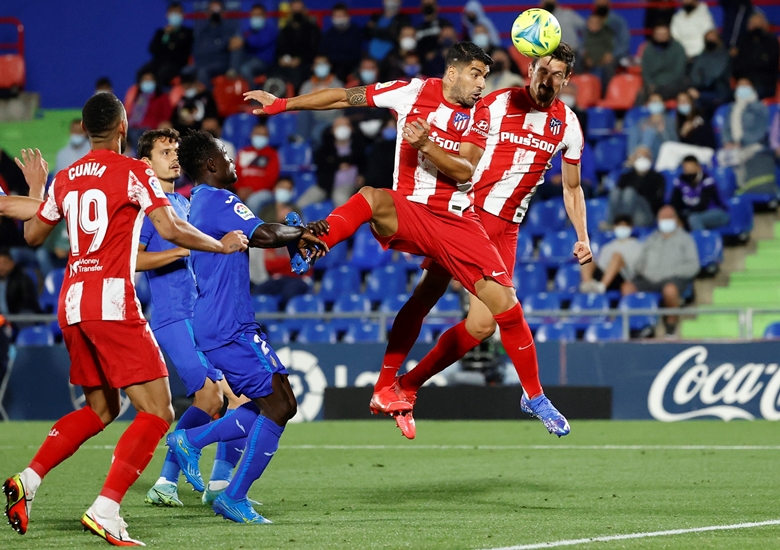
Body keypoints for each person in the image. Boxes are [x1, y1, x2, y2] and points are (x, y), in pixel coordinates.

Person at [245, 42, 590, 439]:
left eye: (557, 74)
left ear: (566, 80)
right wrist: (283, 104)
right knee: (380, 213)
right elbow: (346, 96)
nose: (548, 80)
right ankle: (314, 244)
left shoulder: (557, 122)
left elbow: (568, 186)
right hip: (463, 211)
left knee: (482, 324)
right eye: (542, 70)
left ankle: (403, 387)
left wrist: (582, 236)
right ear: (529, 69)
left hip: (488, 226)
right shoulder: (491, 104)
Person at [3, 92, 248, 545]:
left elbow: (33, 234)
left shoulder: (67, 176)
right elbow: (171, 227)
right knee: (158, 411)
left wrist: (37, 191)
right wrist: (222, 244)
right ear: (122, 128)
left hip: (72, 302)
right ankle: (106, 509)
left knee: (102, 409)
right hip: (112, 301)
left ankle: (29, 480)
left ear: (85, 129)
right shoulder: (136, 172)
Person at [166, 129, 327, 524]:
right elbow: (263, 234)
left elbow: (263, 235)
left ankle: (193, 441)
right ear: (209, 165)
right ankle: (230, 492)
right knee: (282, 403)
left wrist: (292, 236)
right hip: (229, 324)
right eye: (224, 154)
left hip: (223, 320)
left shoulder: (199, 202)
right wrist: (300, 232)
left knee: (271, 403)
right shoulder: (219, 199)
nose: (231, 160)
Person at [133, 128, 247, 508]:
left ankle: (215, 484)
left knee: (242, 395)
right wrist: (182, 252)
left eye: (176, 150)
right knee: (210, 395)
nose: (174, 157)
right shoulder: (148, 207)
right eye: (165, 151)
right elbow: (133, 260)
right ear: (145, 163)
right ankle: (167, 480)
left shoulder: (184, 204)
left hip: (202, 315)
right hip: (173, 315)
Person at [624, 205, 700, 336]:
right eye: (662, 218)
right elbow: (639, 262)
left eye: (669, 217)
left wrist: (673, 272)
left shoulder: (685, 239)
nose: (665, 220)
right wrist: (641, 270)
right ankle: (639, 326)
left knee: (670, 290)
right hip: (649, 278)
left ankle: (670, 328)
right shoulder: (651, 238)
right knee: (627, 288)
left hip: (673, 278)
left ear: (675, 219)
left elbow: (694, 265)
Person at [720, 78, 776, 195]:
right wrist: (727, 142)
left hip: (754, 144)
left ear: (752, 88)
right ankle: (730, 192)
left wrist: (742, 141)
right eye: (740, 85)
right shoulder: (731, 107)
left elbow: (760, 131)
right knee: (721, 158)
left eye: (746, 85)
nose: (743, 88)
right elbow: (726, 128)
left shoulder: (760, 107)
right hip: (734, 146)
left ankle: (745, 189)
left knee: (739, 156)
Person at [580, 215, 643, 294]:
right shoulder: (607, 247)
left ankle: (602, 287)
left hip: (623, 277)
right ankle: (587, 285)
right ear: (614, 227)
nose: (621, 229)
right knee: (587, 258)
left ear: (630, 227)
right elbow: (601, 266)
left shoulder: (638, 246)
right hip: (604, 274)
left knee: (616, 256)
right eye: (619, 226)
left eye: (624, 226)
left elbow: (637, 268)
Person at [607, 146, 666, 227]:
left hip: (644, 211)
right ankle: (611, 222)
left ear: (651, 159)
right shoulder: (626, 176)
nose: (642, 160)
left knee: (629, 192)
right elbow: (618, 196)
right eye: (639, 157)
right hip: (624, 209)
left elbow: (657, 201)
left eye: (645, 157)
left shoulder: (658, 177)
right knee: (615, 192)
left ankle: (624, 223)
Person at [314, 116, 367, 206]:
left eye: (345, 125)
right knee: (303, 202)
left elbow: (365, 165)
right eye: (338, 126)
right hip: (325, 186)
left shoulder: (359, 148)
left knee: (339, 197)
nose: (342, 129)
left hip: (349, 186)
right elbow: (322, 167)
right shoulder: (324, 149)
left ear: (352, 129)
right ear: (332, 130)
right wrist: (339, 163)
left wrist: (362, 176)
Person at [670, 155, 729, 231]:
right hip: (691, 214)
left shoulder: (708, 181)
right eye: (686, 170)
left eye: (691, 169)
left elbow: (702, 205)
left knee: (694, 219)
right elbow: (674, 203)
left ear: (699, 168)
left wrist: (685, 216)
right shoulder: (680, 182)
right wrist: (676, 216)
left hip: (716, 212)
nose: (689, 173)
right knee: (670, 217)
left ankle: (701, 242)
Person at [731, 12, 780, 101]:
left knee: (748, 96)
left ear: (765, 24)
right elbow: (737, 65)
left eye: (759, 23)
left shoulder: (771, 41)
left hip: (765, 83)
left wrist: (750, 80)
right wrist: (742, 79)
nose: (756, 27)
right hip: (744, 81)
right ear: (748, 26)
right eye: (753, 24)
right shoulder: (743, 41)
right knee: (728, 98)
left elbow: (769, 64)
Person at [298, 55, 345, 146]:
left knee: (316, 133)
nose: (321, 66)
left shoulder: (337, 85)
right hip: (311, 119)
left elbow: (336, 109)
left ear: (329, 66)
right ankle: (300, 142)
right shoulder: (307, 86)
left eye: (324, 64)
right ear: (313, 67)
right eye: (318, 64)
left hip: (330, 120)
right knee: (303, 113)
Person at [144, 2, 194, 86]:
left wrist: (171, 38)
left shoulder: (188, 33)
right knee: (142, 72)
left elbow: (180, 50)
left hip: (177, 64)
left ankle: (160, 98)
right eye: (172, 12)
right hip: (159, 62)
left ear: (183, 14)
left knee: (161, 74)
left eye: (178, 12)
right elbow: (152, 48)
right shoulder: (161, 32)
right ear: (167, 15)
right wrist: (166, 35)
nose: (175, 15)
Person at [276, 0, 321, 92]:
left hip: (305, 63)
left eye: (299, 7)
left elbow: (313, 49)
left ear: (304, 9)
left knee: (297, 76)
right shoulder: (285, 29)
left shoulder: (312, 29)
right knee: (274, 73)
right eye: (294, 7)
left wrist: (300, 60)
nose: (296, 10)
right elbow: (279, 49)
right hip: (286, 64)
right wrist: (280, 59)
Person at [192, 0, 240, 86]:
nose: (215, 13)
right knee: (186, 72)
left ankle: (210, 98)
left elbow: (234, 49)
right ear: (207, 13)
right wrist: (218, 45)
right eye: (212, 10)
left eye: (217, 10)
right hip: (203, 63)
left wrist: (232, 68)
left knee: (203, 72)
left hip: (221, 64)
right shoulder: (202, 31)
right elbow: (197, 50)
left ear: (223, 13)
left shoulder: (230, 30)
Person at [235, 123, 280, 213]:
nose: (260, 137)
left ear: (268, 137)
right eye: (258, 134)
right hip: (241, 191)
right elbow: (235, 173)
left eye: (263, 135)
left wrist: (251, 191)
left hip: (264, 192)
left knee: (253, 202)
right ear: (251, 135)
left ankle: (250, 227)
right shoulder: (243, 152)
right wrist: (239, 189)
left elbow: (271, 179)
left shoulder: (272, 154)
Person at [231, 4, 278, 85]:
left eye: (258, 15)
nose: (255, 18)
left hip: (264, 61)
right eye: (254, 15)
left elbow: (259, 42)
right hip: (249, 58)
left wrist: (244, 41)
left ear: (264, 16)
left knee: (245, 69)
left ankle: (255, 94)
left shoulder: (270, 30)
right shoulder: (249, 31)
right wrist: (235, 42)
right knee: (237, 48)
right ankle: (233, 74)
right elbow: (242, 39)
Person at [639, 24, 687, 102]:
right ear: (654, 35)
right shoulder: (648, 50)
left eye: (664, 34)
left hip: (673, 84)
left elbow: (679, 72)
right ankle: (639, 114)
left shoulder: (678, 48)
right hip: (653, 85)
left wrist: (660, 83)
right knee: (641, 95)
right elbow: (645, 72)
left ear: (669, 35)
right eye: (658, 34)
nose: (661, 37)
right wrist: (650, 83)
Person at [688, 30, 731, 117]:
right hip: (702, 88)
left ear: (718, 40)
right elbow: (694, 74)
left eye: (712, 38)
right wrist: (697, 85)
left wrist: (700, 92)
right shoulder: (701, 56)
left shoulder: (724, 55)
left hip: (719, 89)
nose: (710, 41)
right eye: (707, 39)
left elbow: (716, 74)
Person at [126, 70, 173, 149]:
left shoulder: (162, 97)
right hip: (132, 128)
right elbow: (128, 113)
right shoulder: (136, 96)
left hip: (151, 129)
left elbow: (167, 116)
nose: (147, 82)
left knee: (139, 136)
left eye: (150, 79)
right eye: (145, 80)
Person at [319, 3, 364, 83]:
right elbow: (324, 53)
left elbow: (357, 53)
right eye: (336, 16)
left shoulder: (356, 32)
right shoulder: (329, 34)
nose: (339, 19)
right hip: (334, 69)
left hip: (353, 67)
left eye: (341, 16)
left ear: (347, 16)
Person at [628, 93, 677, 161]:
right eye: (653, 101)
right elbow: (635, 138)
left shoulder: (669, 121)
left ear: (663, 104)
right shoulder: (643, 121)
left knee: (649, 131)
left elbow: (674, 142)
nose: (655, 103)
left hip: (659, 150)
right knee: (634, 130)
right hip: (641, 150)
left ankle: (639, 157)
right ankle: (632, 157)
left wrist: (663, 132)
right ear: (648, 104)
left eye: (658, 101)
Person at [579, 13, 615, 92]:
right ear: (588, 24)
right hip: (588, 64)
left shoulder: (606, 35)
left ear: (600, 25)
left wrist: (605, 58)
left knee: (606, 68)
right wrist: (586, 59)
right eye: (592, 23)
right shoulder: (585, 37)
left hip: (603, 64)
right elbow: (582, 51)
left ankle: (603, 93)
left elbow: (611, 51)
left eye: (596, 23)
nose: (594, 25)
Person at [0, 247, 40, 316]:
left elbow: (27, 303)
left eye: (5, 263)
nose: (1, 267)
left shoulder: (23, 280)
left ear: (12, 263)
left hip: (18, 317)